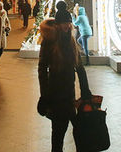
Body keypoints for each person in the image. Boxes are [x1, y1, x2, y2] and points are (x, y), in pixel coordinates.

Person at [37, 18, 91, 152]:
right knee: (58, 134)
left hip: (70, 95)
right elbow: (42, 69)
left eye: (68, 22)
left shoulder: (71, 40)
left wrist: (85, 90)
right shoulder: (49, 41)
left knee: (80, 131)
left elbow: (79, 66)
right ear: (58, 24)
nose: (67, 25)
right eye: (63, 23)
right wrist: (44, 96)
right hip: (55, 95)